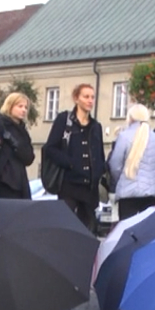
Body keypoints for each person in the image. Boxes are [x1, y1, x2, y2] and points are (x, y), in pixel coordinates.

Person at [43, 84, 105, 233]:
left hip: (89, 188)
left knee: (88, 231)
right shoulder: (64, 120)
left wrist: (99, 171)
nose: (90, 100)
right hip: (69, 185)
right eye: (86, 96)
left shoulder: (96, 126)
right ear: (76, 98)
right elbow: (49, 148)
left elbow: (100, 154)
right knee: (66, 229)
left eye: (92, 97)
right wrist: (69, 163)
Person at [108, 105, 155, 220]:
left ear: (130, 117)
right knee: (148, 231)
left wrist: (121, 179)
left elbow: (115, 165)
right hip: (151, 191)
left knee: (127, 228)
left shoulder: (124, 136)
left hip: (128, 191)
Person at [0, 93, 35, 199]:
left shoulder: (22, 130)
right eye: (20, 106)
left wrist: (15, 144)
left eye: (26, 107)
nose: (24, 110)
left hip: (19, 181)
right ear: (10, 106)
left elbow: (29, 158)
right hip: (2, 180)